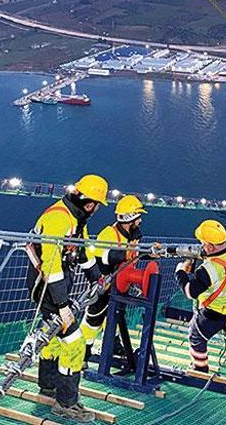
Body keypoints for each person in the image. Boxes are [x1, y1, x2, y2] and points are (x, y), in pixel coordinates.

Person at [25, 174, 108, 423]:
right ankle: (66, 403)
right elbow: (52, 267)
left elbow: (82, 251)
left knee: (51, 338)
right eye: (95, 205)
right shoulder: (58, 218)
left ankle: (48, 386)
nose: (95, 210)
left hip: (56, 288)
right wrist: (62, 306)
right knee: (74, 343)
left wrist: (97, 279)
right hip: (47, 290)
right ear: (87, 201)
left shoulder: (76, 219)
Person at [175, 219, 226, 382]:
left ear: (210, 247)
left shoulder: (207, 270)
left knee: (196, 336)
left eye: (203, 244)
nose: (202, 247)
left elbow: (190, 291)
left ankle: (200, 370)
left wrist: (180, 272)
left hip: (213, 313)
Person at [81, 195, 147, 361]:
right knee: (93, 321)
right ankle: (82, 352)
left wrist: (149, 252)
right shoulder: (109, 233)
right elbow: (101, 257)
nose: (140, 222)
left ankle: (114, 345)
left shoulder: (132, 237)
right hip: (102, 287)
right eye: (138, 218)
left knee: (116, 317)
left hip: (119, 287)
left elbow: (131, 258)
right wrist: (129, 252)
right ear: (130, 218)